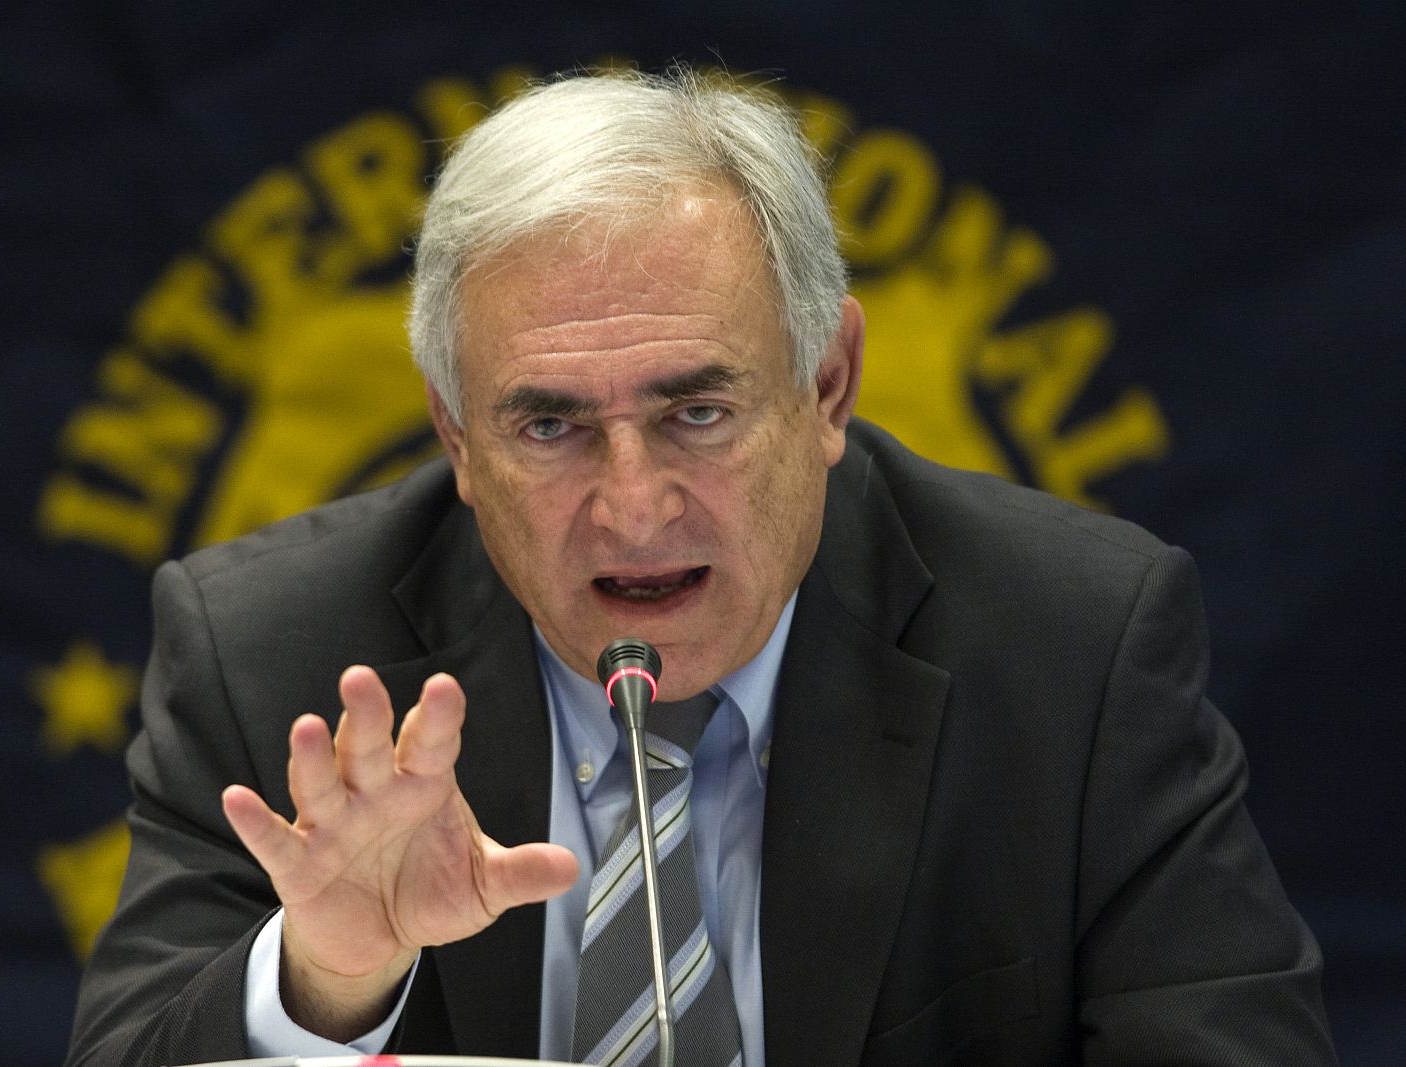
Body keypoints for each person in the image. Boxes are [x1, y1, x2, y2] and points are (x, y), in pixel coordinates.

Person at [65, 70, 1336, 1066]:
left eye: (698, 413)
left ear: (825, 385)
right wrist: (324, 976)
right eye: (548, 425)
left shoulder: (1072, 643)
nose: (631, 506)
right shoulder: (274, 653)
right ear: (457, 437)